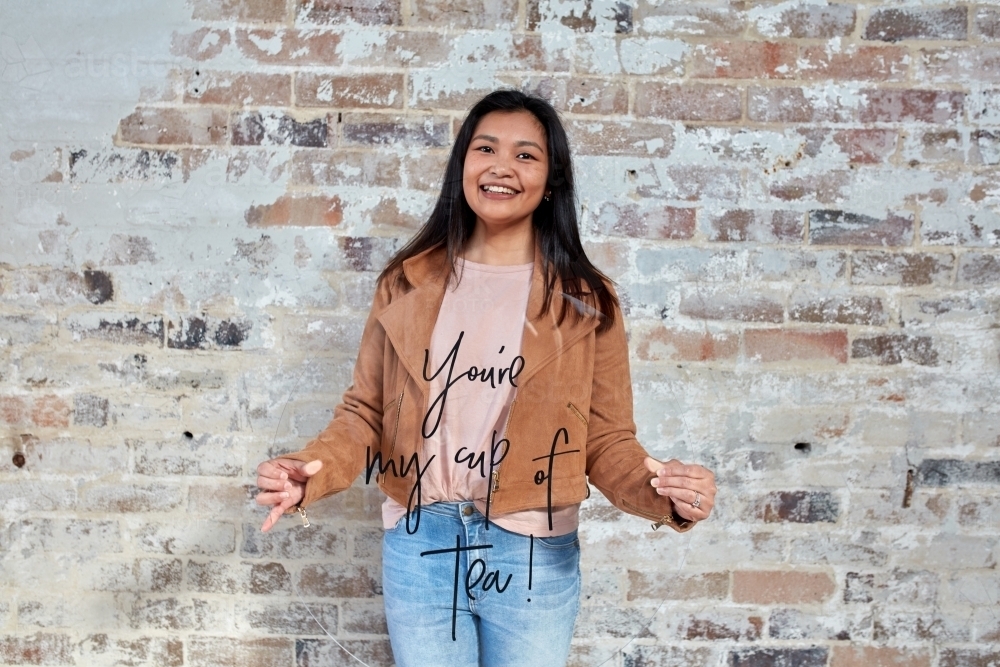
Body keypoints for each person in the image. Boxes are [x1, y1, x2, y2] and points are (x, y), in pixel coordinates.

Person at [254, 90, 717, 667]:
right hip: (421, 543)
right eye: (485, 148)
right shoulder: (406, 282)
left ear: (551, 180)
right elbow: (365, 415)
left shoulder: (586, 300)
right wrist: (309, 476)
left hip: (532, 556)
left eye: (526, 155)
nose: (501, 166)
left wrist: (666, 496)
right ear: (463, 165)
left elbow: (605, 440)